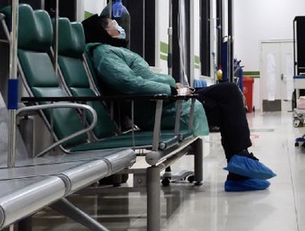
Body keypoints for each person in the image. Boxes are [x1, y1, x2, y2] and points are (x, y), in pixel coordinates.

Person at [82, 15, 275, 192]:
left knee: (229, 91)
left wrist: (174, 87)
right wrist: (171, 90)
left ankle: (239, 165)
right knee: (226, 105)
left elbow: (140, 80)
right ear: (103, 32)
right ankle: (239, 168)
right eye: (114, 24)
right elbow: (129, 84)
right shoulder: (105, 54)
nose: (119, 27)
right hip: (160, 108)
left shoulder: (113, 51)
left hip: (166, 100)